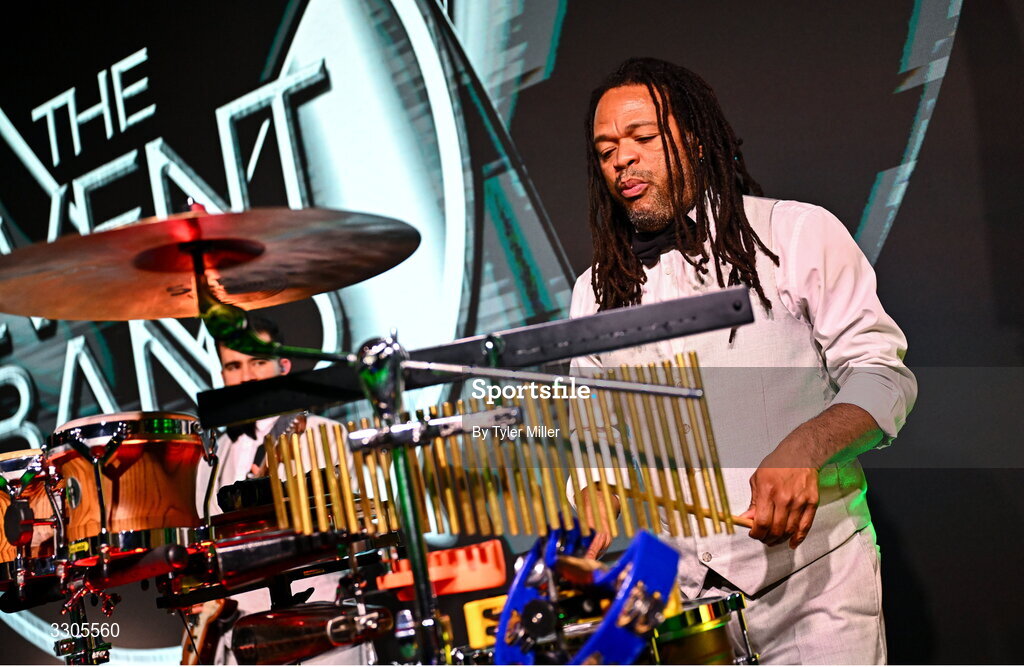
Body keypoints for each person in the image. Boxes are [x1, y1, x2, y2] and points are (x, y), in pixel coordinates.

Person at [570, 58, 917, 664]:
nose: (621, 159)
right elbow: (595, 432)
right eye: (605, 151)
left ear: (696, 141)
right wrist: (596, 498)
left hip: (815, 586)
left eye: (643, 138)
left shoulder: (797, 234)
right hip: (680, 613)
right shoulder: (594, 291)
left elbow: (883, 374)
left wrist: (804, 446)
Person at [191, 315, 371, 666]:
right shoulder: (210, 459)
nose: (246, 376)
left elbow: (360, 530)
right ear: (223, 375)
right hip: (240, 632)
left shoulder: (327, 435)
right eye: (233, 366)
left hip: (321, 620)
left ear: (283, 366)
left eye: (257, 362)